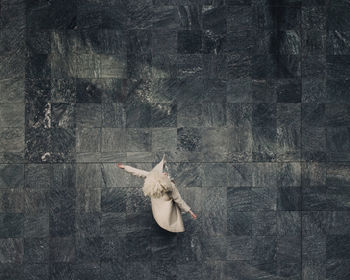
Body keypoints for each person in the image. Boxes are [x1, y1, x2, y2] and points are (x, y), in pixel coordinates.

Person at [117, 155, 197, 232]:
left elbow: (138, 172)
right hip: (162, 205)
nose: (165, 173)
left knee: (171, 206)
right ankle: (169, 223)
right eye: (164, 175)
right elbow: (179, 200)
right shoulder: (170, 187)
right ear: (163, 181)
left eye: (163, 174)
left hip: (161, 202)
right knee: (173, 210)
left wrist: (125, 167)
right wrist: (190, 211)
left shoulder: (153, 178)